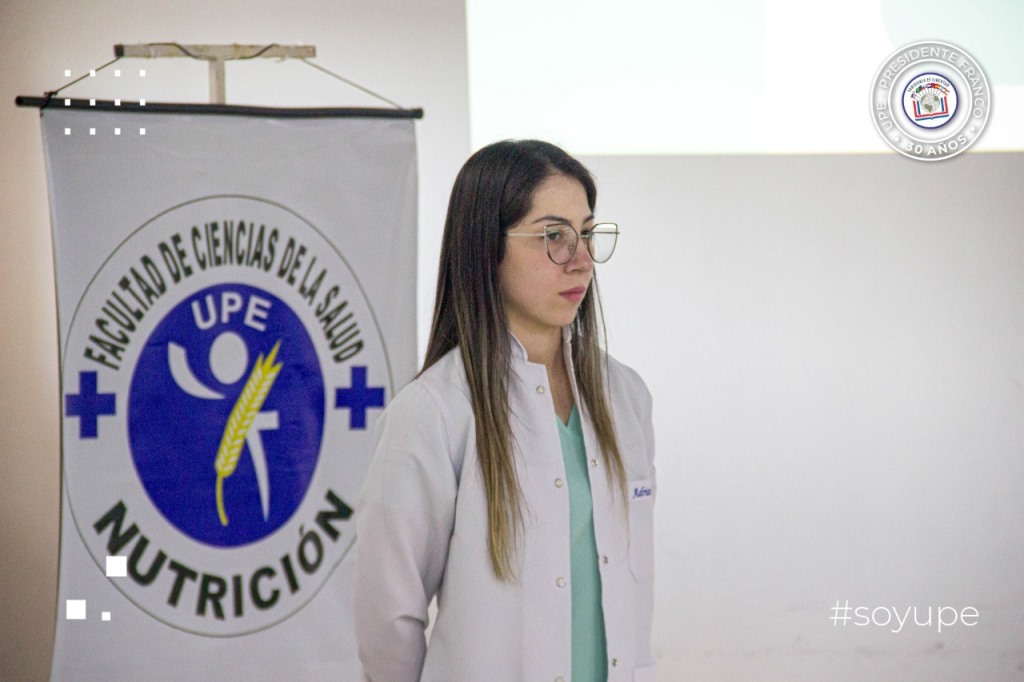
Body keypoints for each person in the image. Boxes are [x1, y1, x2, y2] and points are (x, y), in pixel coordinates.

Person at [354, 140, 656, 682]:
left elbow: (631, 593)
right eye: (553, 237)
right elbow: (388, 621)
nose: (581, 260)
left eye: (586, 234)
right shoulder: (434, 413)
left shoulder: (625, 397)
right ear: (485, 246)